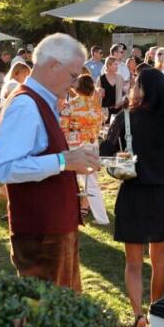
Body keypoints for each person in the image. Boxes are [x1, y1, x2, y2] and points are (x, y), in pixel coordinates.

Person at [0, 34, 100, 289]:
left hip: (51, 231)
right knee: (47, 315)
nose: (74, 84)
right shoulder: (26, 104)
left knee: (61, 311)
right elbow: (0, 168)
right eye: (72, 76)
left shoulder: (40, 101)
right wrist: (63, 160)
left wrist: (70, 159)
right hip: (42, 235)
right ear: (52, 66)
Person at [101, 68, 164, 327]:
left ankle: (138, 315)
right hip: (163, 195)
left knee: (134, 263)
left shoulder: (126, 117)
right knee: (159, 260)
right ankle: (155, 310)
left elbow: (106, 151)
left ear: (142, 89)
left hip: (134, 194)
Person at [60, 73, 109, 224]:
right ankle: (100, 217)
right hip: (92, 144)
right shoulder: (96, 106)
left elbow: (62, 128)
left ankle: (96, 217)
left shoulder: (70, 106)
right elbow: (101, 123)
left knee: (70, 182)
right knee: (91, 182)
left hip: (74, 147)